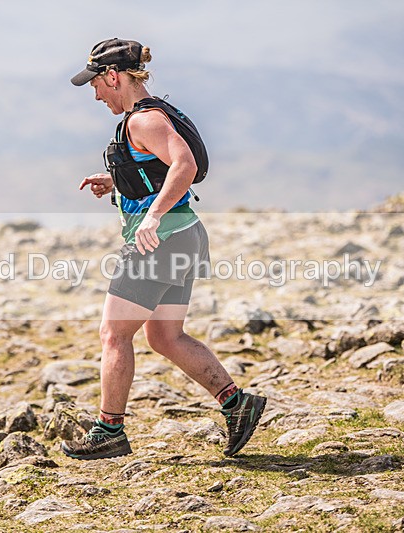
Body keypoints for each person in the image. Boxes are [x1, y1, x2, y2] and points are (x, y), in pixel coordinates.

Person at [62, 38, 265, 460]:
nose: (96, 94)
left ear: (114, 77)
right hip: (186, 235)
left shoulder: (144, 121)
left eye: (96, 85)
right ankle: (236, 403)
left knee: (113, 333)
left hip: (160, 239)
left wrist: (152, 216)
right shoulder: (156, 113)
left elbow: (184, 165)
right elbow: (156, 168)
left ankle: (109, 431)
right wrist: (116, 180)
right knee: (165, 335)